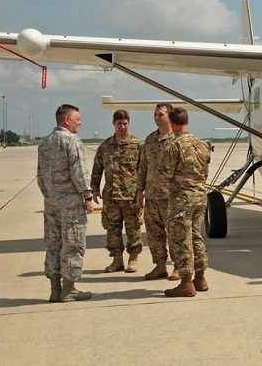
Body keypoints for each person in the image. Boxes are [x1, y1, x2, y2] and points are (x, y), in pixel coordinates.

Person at [37, 104, 93, 302]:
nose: (80, 122)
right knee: (72, 246)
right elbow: (78, 171)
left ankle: (54, 290)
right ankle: (68, 290)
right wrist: (87, 196)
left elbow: (40, 177)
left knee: (53, 245)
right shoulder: (71, 140)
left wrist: (50, 196)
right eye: (77, 119)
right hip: (71, 205)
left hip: (51, 204)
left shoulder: (44, 143)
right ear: (66, 120)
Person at [161, 108, 211, 297]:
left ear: (172, 125)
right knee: (196, 236)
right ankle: (200, 277)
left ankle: (186, 282)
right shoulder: (202, 144)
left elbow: (165, 173)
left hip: (182, 200)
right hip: (200, 197)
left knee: (181, 240)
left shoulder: (174, 146)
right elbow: (204, 172)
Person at [91, 110, 144, 273]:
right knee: (112, 230)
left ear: (129, 122)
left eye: (125, 123)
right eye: (119, 123)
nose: (123, 126)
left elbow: (144, 169)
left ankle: (133, 259)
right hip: (111, 196)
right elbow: (97, 168)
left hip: (131, 196)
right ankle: (117, 260)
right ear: (113, 123)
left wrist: (142, 190)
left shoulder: (138, 145)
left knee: (133, 229)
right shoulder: (105, 146)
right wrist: (94, 188)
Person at [136, 103, 180, 281]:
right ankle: (160, 266)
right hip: (152, 195)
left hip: (171, 196)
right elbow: (143, 166)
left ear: (169, 116)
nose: (156, 117)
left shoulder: (177, 139)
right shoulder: (149, 140)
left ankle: (178, 267)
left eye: (160, 114)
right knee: (154, 234)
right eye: (155, 114)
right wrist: (140, 190)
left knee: (175, 234)